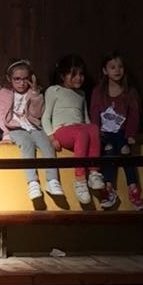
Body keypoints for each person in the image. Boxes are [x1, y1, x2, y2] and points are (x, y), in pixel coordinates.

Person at [0, 58, 62, 202]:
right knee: (27, 145)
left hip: (33, 126)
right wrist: (6, 134)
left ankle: (52, 181)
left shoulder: (33, 93)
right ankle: (33, 182)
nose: (21, 83)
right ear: (9, 79)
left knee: (47, 146)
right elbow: (0, 116)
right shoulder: (3, 95)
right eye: (17, 79)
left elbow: (37, 114)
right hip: (15, 128)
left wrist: (35, 93)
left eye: (25, 79)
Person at [42, 55, 103, 205]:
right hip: (62, 130)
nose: (78, 78)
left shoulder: (81, 94)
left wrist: (94, 133)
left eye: (81, 74)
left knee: (93, 127)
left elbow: (86, 119)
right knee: (81, 133)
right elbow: (46, 117)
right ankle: (80, 180)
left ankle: (94, 173)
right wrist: (51, 137)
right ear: (62, 75)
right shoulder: (54, 90)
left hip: (80, 129)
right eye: (73, 74)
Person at [90, 52, 143, 211]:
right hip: (104, 134)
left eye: (120, 67)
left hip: (121, 134)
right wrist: (97, 134)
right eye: (112, 67)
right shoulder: (98, 92)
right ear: (105, 70)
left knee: (124, 149)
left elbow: (134, 115)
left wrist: (131, 135)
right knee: (109, 149)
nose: (117, 70)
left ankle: (133, 190)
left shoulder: (130, 92)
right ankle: (109, 189)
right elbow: (94, 114)